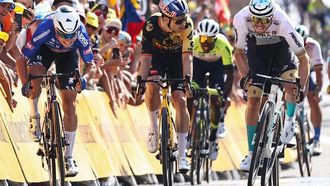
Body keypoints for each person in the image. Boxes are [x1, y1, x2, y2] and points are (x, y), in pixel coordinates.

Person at [16, 5, 94, 177]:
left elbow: (90, 64)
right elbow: (21, 60)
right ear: (56, 27)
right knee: (35, 79)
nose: (67, 39)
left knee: (70, 103)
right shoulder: (45, 27)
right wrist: (25, 83)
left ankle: (68, 157)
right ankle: (34, 114)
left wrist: (84, 79)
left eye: (71, 35)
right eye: (64, 35)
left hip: (68, 56)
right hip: (44, 49)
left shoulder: (80, 33)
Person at [233, 0, 310, 172]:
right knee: (253, 100)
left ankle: (290, 121)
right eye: (256, 19)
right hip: (257, 52)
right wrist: (246, 77)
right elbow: (238, 53)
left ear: (272, 16)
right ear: (250, 15)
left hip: (281, 50)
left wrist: (301, 90)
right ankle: (252, 153)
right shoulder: (241, 18)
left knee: (291, 85)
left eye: (264, 20)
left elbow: (304, 59)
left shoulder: (283, 21)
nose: (259, 24)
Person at [136, 0, 194, 172]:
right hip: (157, 58)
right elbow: (145, 58)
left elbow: (187, 58)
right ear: (166, 19)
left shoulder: (187, 25)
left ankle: (183, 155)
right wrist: (140, 82)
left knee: (180, 101)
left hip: (178, 59)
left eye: (184, 19)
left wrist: (187, 82)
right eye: (178, 21)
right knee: (152, 86)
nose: (183, 23)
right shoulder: (150, 25)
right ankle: (154, 128)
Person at [191, 18, 234, 161]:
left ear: (216, 39)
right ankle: (191, 131)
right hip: (198, 65)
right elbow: (185, 65)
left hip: (217, 67)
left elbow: (230, 74)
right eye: (203, 39)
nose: (205, 43)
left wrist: (224, 95)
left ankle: (213, 139)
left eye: (209, 40)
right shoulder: (193, 42)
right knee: (191, 95)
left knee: (216, 99)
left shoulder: (223, 44)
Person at [296, 25, 323, 155]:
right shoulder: (289, 44)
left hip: (310, 69)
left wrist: (318, 89)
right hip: (294, 70)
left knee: (313, 99)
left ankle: (316, 139)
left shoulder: (314, 45)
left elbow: (319, 71)